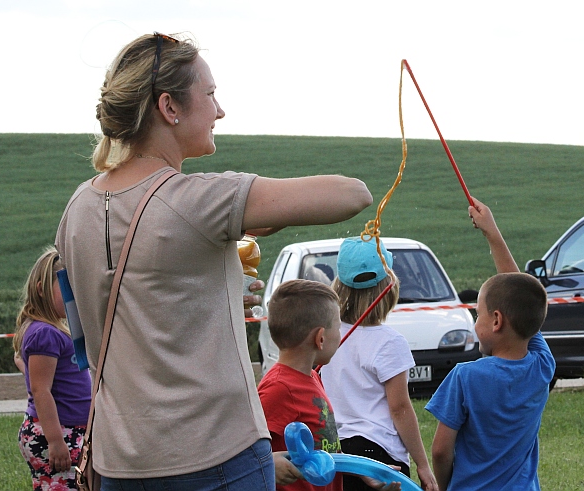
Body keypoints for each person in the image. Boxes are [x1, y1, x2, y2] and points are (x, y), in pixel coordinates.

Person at [56, 33, 373, 489]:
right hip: (216, 456)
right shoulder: (200, 200)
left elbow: (94, 333)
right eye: (209, 94)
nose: (219, 111)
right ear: (169, 107)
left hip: (118, 463)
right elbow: (353, 194)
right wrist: (260, 210)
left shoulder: (77, 208)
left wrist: (207, 306)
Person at [426, 199, 554, 491]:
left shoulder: (465, 376)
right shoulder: (542, 366)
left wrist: (444, 487)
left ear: (496, 320)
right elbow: (521, 298)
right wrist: (492, 233)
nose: (475, 323)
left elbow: (440, 451)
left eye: (478, 314)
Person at [257, 279, 399, 491]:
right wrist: (268, 463)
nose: (340, 334)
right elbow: (248, 454)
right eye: (338, 327)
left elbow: (326, 448)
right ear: (320, 338)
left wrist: (364, 470)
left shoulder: (312, 377)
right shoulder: (278, 389)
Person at [322, 237, 438, 491]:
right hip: (380, 456)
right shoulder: (389, 342)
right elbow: (399, 408)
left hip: (337, 454)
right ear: (388, 286)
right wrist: (422, 464)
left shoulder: (327, 336)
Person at [14, 248, 92, 490]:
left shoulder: (49, 330)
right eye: (66, 288)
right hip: (59, 432)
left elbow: (35, 373)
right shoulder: (45, 333)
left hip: (68, 429)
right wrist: (56, 441)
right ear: (41, 290)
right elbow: (40, 390)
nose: (73, 296)